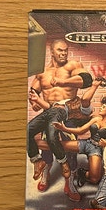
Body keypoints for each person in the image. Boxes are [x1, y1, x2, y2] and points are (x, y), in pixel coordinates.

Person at [27, 39, 94, 201]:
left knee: (69, 148)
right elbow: (33, 90)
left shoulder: (72, 66)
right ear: (52, 52)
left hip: (68, 114)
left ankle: (69, 183)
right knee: (47, 146)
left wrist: (64, 82)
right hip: (49, 112)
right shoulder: (42, 71)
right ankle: (45, 173)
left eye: (66, 50)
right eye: (60, 50)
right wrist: (34, 102)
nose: (64, 53)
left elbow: (87, 80)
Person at [52, 96, 106, 195]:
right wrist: (64, 128)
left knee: (94, 178)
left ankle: (81, 173)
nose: (100, 108)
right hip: (87, 143)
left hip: (97, 149)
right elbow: (81, 130)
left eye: (103, 107)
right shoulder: (96, 119)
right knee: (58, 145)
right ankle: (36, 148)